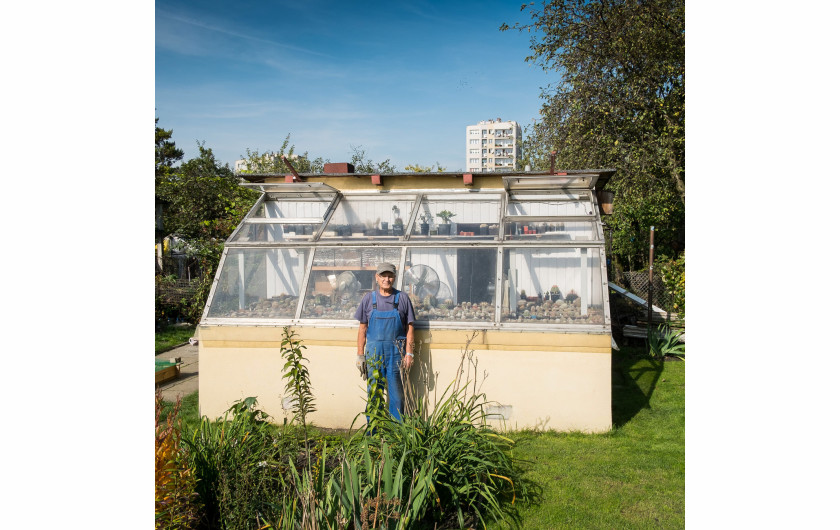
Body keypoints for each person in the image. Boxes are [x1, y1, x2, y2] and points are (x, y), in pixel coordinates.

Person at [354, 262, 416, 421]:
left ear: (394, 278)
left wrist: (409, 353)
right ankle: (373, 433)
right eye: (383, 276)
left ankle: (397, 432)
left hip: (396, 354)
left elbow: (410, 328)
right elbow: (362, 329)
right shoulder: (369, 299)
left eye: (390, 276)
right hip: (374, 354)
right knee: (374, 392)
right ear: (377, 277)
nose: (386, 279)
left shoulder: (402, 298)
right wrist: (360, 355)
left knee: (397, 396)